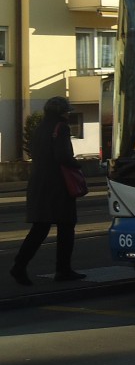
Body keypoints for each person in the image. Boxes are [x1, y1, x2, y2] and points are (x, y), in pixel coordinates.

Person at [9, 97, 86, 285]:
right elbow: (63, 156)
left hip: (39, 183)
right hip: (58, 185)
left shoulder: (40, 128)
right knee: (66, 227)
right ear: (61, 112)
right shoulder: (62, 127)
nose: (68, 113)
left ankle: (19, 265)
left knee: (40, 228)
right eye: (67, 110)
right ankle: (63, 270)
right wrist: (77, 165)